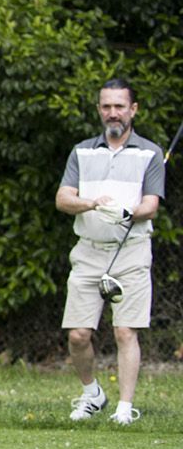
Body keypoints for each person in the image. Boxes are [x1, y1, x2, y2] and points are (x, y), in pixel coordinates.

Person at [55, 78, 165, 425]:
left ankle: (123, 407)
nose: (112, 113)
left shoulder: (151, 153)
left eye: (119, 106)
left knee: (125, 331)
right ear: (99, 109)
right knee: (77, 334)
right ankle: (92, 395)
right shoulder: (81, 151)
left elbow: (150, 206)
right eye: (106, 106)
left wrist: (127, 212)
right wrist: (91, 203)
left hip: (131, 250)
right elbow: (63, 199)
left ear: (133, 110)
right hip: (88, 251)